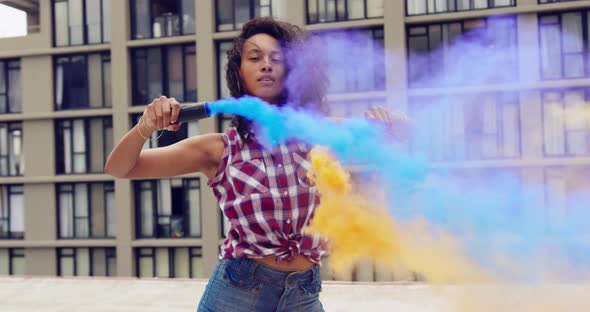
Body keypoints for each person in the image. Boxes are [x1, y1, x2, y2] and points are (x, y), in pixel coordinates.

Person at [105, 17, 406, 312]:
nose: (266, 64)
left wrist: (389, 124)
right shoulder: (219, 148)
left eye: (277, 58)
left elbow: (407, 134)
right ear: (238, 72)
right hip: (238, 295)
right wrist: (145, 126)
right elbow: (120, 168)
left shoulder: (319, 133)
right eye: (255, 57)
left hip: (303, 293)